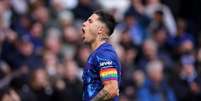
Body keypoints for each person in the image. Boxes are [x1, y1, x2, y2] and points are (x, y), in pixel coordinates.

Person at [81, 10, 121, 101]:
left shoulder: (104, 54)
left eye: (90, 21)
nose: (84, 23)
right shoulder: (97, 54)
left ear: (100, 29)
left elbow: (111, 89)